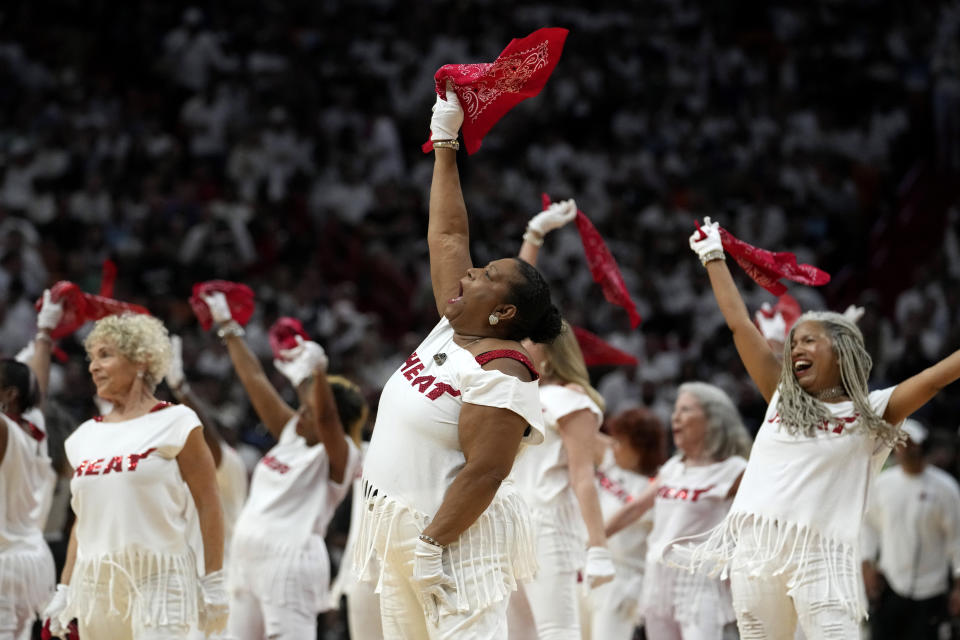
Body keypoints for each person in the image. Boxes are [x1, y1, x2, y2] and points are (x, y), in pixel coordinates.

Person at [679, 217, 960, 639]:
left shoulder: (875, 410)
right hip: (757, 552)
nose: (796, 348)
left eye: (809, 340)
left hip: (823, 555)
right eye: (793, 342)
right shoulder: (779, 395)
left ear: (843, 351)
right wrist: (714, 256)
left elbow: (936, 377)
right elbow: (740, 324)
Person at [353, 85, 563, 640]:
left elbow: (487, 471)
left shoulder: (504, 372)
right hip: (403, 535)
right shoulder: (456, 324)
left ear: (505, 312)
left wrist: (431, 545)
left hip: (450, 545)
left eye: (486, 276)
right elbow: (447, 236)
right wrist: (445, 141)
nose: (470, 274)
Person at [41, 313, 227, 639]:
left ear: (141, 360)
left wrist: (213, 578)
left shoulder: (177, 421)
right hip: (95, 583)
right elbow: (82, 523)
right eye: (92, 357)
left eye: (105, 355)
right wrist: (65, 588)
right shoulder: (82, 437)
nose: (93, 367)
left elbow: (209, 502)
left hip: (159, 577)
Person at [197, 294, 360, 640]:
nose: (299, 413)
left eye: (308, 410)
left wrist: (315, 371)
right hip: (247, 558)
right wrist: (228, 327)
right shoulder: (292, 434)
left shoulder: (341, 455)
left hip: (290, 563)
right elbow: (255, 381)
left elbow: (327, 415)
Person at [507, 200, 615, 640]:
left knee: (558, 633)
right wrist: (532, 237)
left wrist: (599, 546)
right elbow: (511, 302)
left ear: (550, 352)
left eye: (530, 340)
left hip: (549, 528)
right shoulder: (514, 391)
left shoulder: (571, 400)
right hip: (505, 527)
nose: (519, 343)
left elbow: (582, 477)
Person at [605, 382, 751, 640]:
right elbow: (634, 509)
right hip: (657, 577)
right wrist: (592, 541)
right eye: (675, 410)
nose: (675, 417)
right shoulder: (673, 466)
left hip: (700, 581)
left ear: (713, 418)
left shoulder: (736, 469)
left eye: (685, 410)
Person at [861, 418, 960, 640]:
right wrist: (866, 563)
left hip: (931, 592)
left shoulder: (946, 489)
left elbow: (957, 541)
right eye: (899, 443)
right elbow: (869, 526)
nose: (904, 448)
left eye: (910, 443)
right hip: (890, 587)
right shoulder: (882, 484)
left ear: (923, 445)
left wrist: (958, 586)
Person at [0, 289, 61, 639]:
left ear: (8, 395)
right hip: (33, 557)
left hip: (6, 564)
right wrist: (44, 333)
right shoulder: (33, 423)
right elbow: (38, 384)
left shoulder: (5, 429)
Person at [581, 407, 667, 640]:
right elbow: (579, 428)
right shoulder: (611, 460)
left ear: (639, 448)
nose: (614, 445)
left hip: (624, 582)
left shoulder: (655, 488)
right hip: (588, 567)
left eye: (621, 442)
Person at [164, 335, 248, 570]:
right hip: (186, 571)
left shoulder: (230, 462)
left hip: (222, 572)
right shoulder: (184, 466)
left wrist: (182, 389)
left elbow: (209, 437)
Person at [324, 376, 382, 640]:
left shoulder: (419, 452)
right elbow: (330, 427)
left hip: (400, 568)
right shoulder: (363, 452)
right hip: (360, 572)